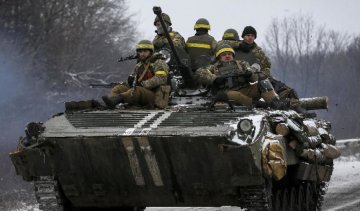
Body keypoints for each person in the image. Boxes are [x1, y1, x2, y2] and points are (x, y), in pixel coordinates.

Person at [196, 44, 288, 109]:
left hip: (245, 89)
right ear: (219, 57)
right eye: (224, 54)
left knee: (264, 83)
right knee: (235, 95)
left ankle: (275, 104)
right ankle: (257, 105)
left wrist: (250, 75)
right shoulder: (213, 67)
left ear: (233, 55)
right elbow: (200, 73)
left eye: (229, 54)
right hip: (227, 93)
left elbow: (253, 74)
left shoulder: (242, 64)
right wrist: (215, 79)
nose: (227, 56)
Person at [102, 40, 170, 109]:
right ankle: (111, 104)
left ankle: (117, 100)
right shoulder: (138, 66)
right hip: (140, 92)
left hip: (155, 95)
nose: (142, 54)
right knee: (118, 88)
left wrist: (143, 84)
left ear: (151, 52)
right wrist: (126, 83)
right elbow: (133, 81)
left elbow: (161, 78)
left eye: (145, 51)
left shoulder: (159, 63)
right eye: (140, 52)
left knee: (136, 90)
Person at [238, 25, 298, 99]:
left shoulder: (258, 51)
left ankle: (287, 96)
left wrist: (259, 74)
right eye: (248, 35)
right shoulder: (237, 48)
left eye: (252, 36)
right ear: (243, 36)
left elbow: (267, 66)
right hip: (242, 78)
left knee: (279, 85)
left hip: (256, 76)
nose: (250, 38)